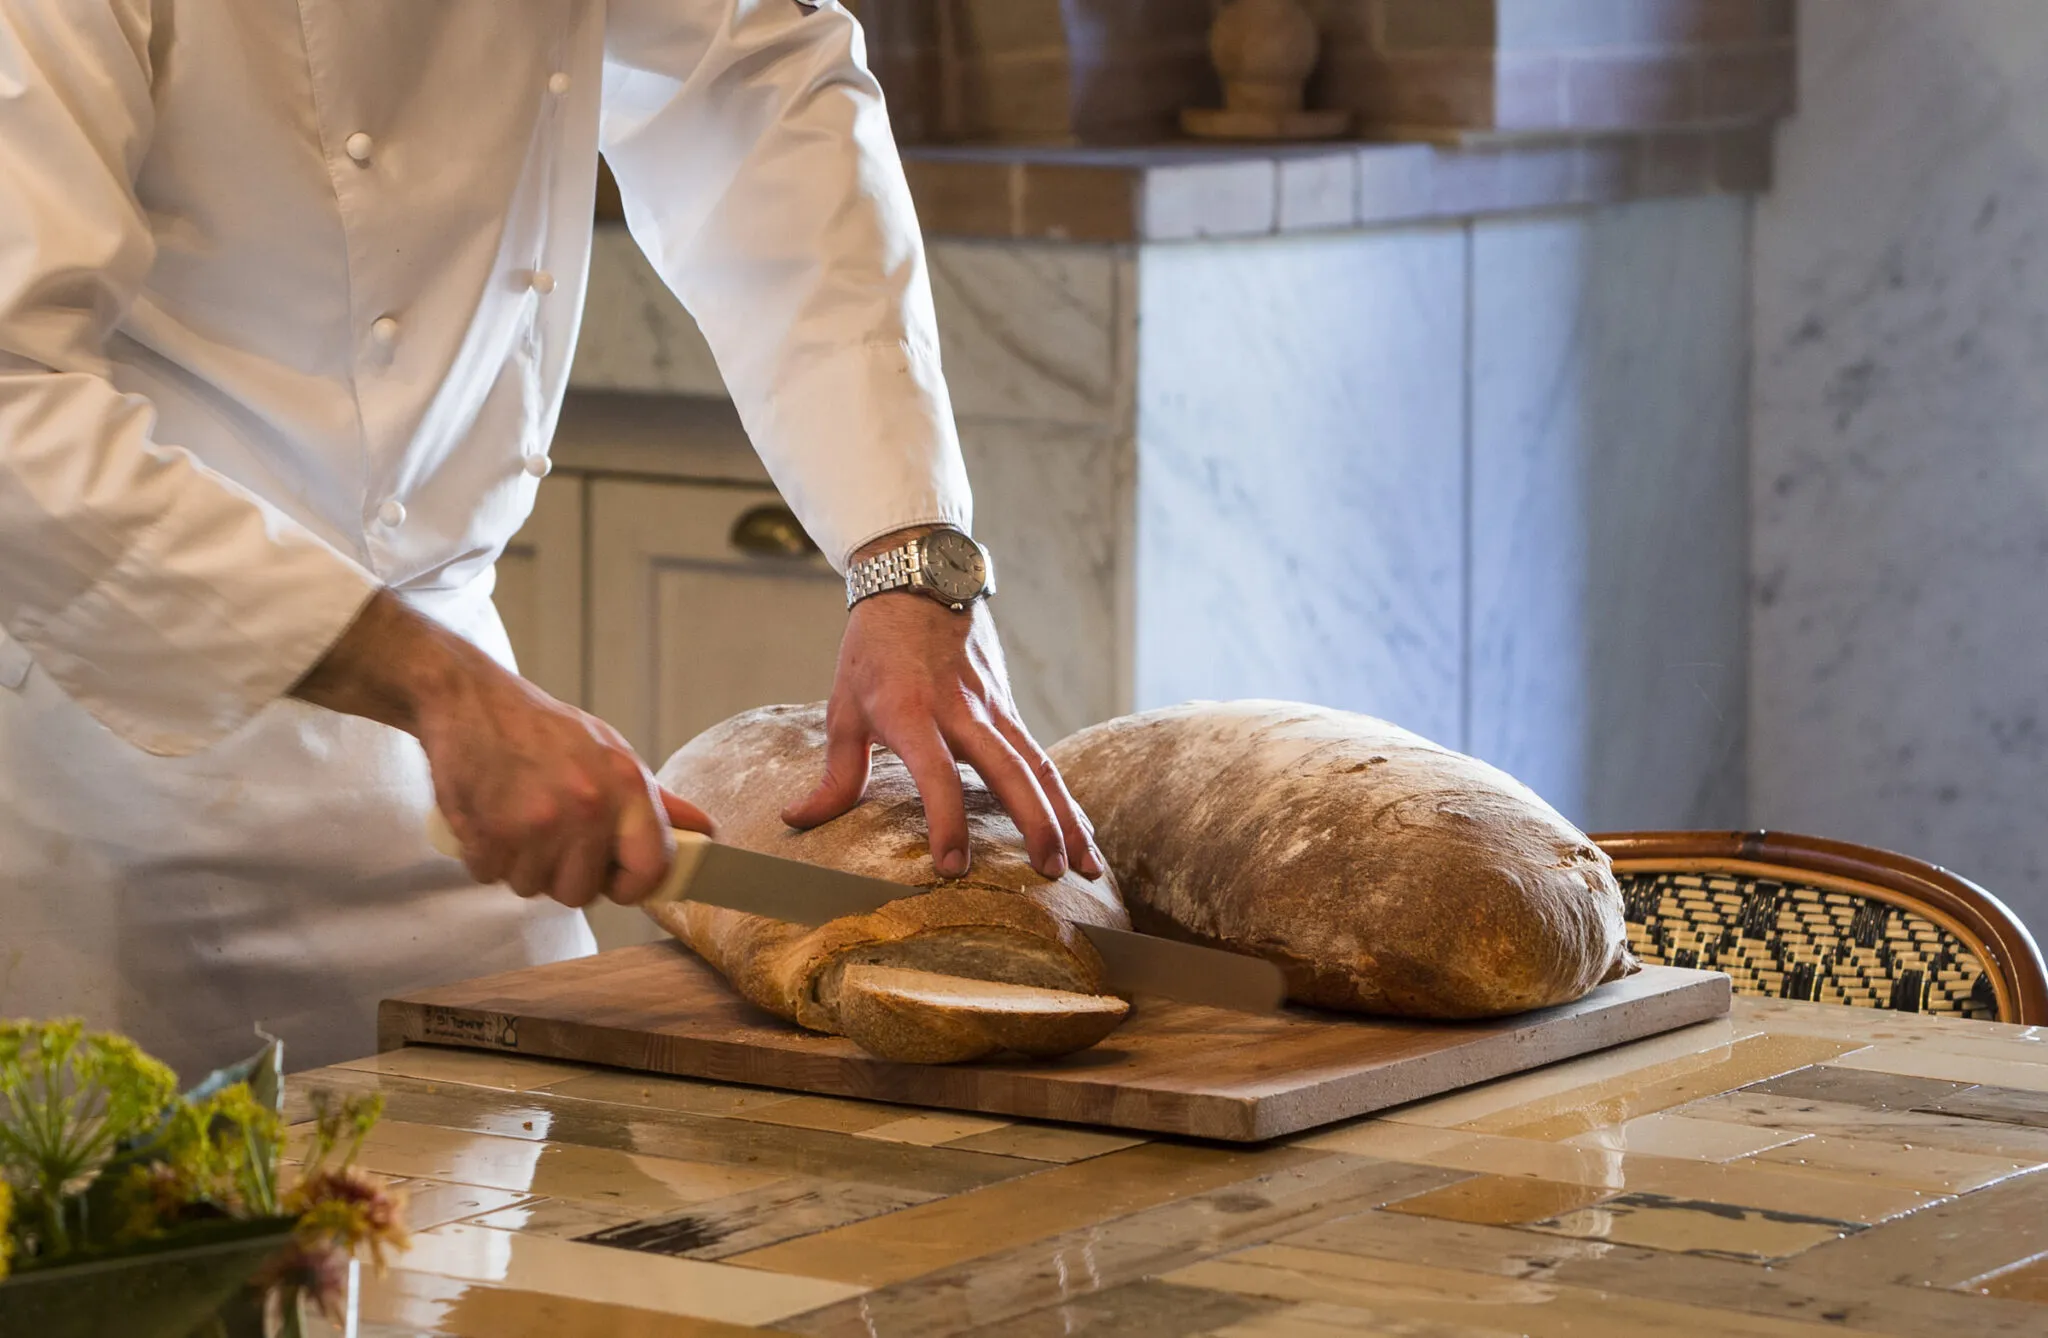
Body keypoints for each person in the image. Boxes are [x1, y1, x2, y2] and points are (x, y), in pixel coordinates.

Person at [0, 0, 1101, 1079]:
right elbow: (13, 405)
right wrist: (443, 690)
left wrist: (907, 553)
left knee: (491, 1218)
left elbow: (759, 82)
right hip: (94, 769)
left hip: (442, 787)